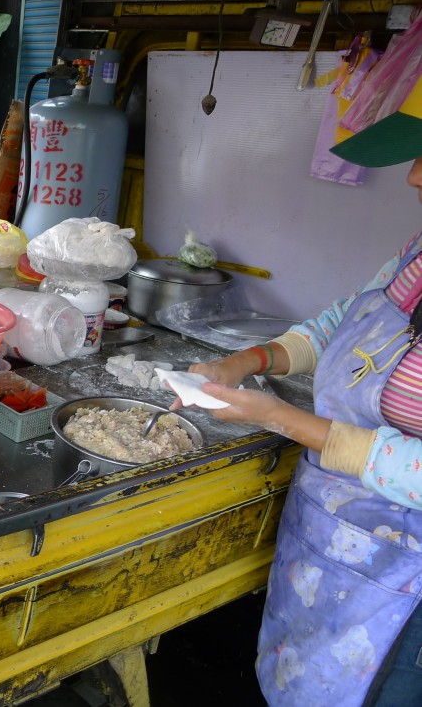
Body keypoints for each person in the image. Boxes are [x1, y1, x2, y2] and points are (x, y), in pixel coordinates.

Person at [179, 70, 422, 706]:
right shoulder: (418, 254)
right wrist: (248, 360)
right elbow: (345, 321)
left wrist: (282, 419)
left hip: (403, 589)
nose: (414, 177)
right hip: (325, 537)